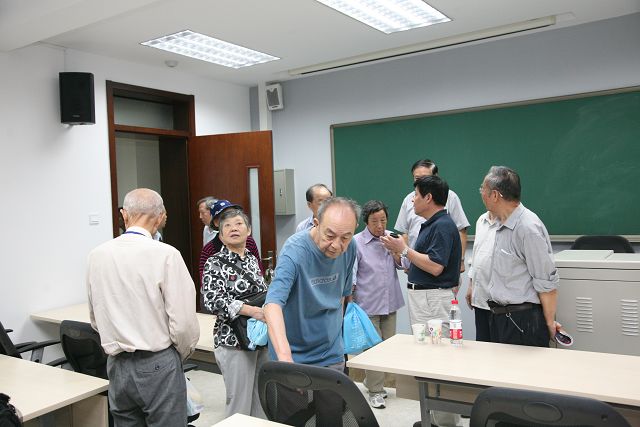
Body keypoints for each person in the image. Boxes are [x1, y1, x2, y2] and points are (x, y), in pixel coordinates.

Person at [87, 188, 199, 426]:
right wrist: (178, 355)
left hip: (117, 363)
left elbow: (95, 317)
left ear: (124, 215)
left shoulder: (97, 255)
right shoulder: (166, 255)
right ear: (160, 217)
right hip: (158, 360)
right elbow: (183, 323)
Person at [264, 197, 359, 426]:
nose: (336, 245)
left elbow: (342, 297)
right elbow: (272, 303)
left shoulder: (351, 248)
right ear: (316, 222)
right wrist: (285, 359)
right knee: (292, 419)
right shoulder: (295, 251)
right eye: (330, 235)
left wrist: (338, 342)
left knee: (331, 418)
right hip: (293, 353)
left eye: (345, 237)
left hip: (330, 353)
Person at [382, 176, 461, 427]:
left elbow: (436, 266)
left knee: (440, 361)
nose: (412, 200)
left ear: (428, 197)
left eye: (416, 195)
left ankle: (446, 423)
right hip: (426, 298)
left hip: (433, 299)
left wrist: (404, 249)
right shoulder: (431, 224)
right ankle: (434, 419)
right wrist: (400, 253)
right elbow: (422, 262)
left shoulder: (443, 225)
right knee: (429, 359)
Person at [479, 166, 561, 347]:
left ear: (495, 195)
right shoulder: (500, 223)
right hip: (500, 317)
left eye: (483, 189)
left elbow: (546, 282)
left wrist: (549, 323)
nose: (481, 194)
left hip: (522, 322)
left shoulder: (528, 228)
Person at [202, 209, 268, 418]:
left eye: (239, 224)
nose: (233, 228)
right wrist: (251, 311)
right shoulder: (214, 262)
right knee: (239, 402)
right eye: (227, 226)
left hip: (258, 337)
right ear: (221, 236)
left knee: (262, 397)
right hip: (233, 340)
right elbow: (212, 300)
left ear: (248, 230)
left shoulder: (251, 259)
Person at [352, 200, 404, 409]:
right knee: (373, 349)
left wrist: (396, 251)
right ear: (366, 221)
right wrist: (349, 303)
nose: (380, 225)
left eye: (383, 220)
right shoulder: (356, 242)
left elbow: (404, 265)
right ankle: (375, 391)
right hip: (367, 304)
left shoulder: (393, 238)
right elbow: (352, 275)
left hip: (390, 302)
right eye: (375, 221)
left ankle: (370, 381)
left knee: (387, 348)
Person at [395, 159, 469, 273]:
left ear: (435, 177)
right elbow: (405, 232)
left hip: (443, 264)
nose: (421, 182)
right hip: (416, 262)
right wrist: (406, 260)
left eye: (425, 177)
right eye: (417, 178)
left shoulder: (450, 197)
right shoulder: (408, 199)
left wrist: (461, 260)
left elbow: (461, 229)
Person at [198, 200, 263, 282]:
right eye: (224, 217)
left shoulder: (249, 242)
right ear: (216, 222)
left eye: (238, 223)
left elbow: (259, 269)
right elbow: (204, 278)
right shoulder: (209, 249)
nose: (233, 228)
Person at [464, 210, 498, 341]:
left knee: (501, 348)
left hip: (501, 304)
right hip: (480, 298)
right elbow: (476, 255)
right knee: (483, 345)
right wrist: (471, 285)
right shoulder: (482, 220)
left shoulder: (511, 221)